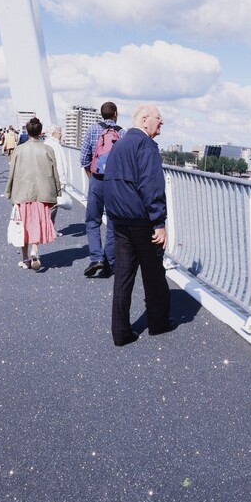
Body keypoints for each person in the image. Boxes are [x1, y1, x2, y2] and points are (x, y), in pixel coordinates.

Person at [104, 105, 171, 347]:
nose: (161, 123)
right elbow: (151, 186)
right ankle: (158, 324)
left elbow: (108, 180)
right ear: (144, 120)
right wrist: (159, 223)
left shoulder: (119, 144)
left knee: (123, 276)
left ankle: (120, 333)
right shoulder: (147, 146)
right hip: (141, 221)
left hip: (119, 220)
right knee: (154, 274)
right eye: (158, 119)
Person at [6, 117, 61, 271]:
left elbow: (12, 172)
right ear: (40, 132)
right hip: (43, 192)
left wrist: (9, 191)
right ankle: (35, 249)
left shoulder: (19, 149)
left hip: (22, 191)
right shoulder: (47, 149)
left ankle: (24, 259)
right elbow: (54, 172)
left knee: (23, 224)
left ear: (27, 131)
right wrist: (57, 190)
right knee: (36, 221)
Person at [79, 101, 122, 279]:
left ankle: (96, 257)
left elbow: (83, 159)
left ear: (101, 114)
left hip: (96, 180)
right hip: (115, 183)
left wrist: (92, 176)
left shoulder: (92, 130)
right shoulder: (122, 132)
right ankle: (109, 263)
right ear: (115, 114)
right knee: (112, 222)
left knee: (92, 221)